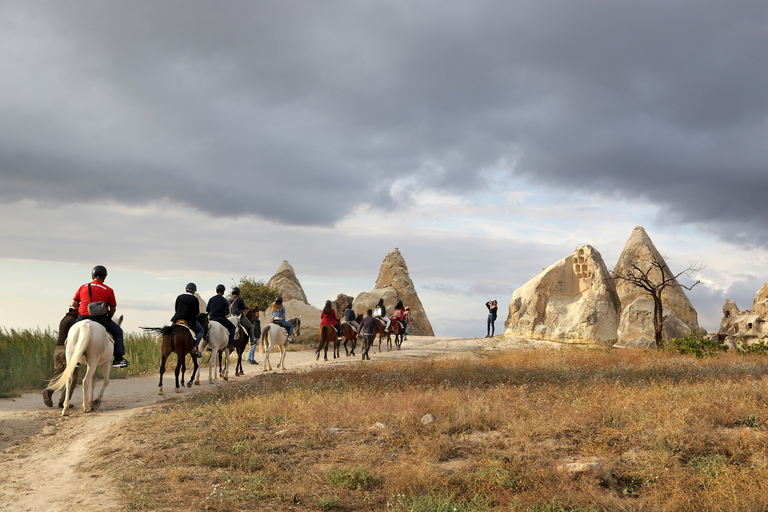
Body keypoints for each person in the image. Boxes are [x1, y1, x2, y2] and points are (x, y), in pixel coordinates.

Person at [72, 265, 129, 368]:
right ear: (104, 277)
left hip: (83, 317)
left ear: (92, 276)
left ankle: (72, 357)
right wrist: (108, 318)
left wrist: (82, 310)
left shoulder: (83, 287)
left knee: (71, 331)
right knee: (118, 332)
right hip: (100, 318)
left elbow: (74, 304)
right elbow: (113, 309)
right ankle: (118, 359)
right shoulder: (109, 290)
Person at [44, 306, 81, 407]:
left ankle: (49, 390)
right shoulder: (73, 320)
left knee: (58, 374)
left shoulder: (63, 319)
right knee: (72, 376)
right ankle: (63, 401)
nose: (79, 314)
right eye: (78, 312)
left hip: (57, 350)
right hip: (67, 350)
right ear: (74, 311)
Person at [171, 283, 204, 358]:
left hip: (177, 318)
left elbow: (176, 309)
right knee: (201, 331)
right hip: (189, 320)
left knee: (169, 331)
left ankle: (170, 343)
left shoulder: (179, 297)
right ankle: (195, 347)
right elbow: (196, 312)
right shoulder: (194, 299)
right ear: (194, 291)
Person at [207, 284, 236, 352]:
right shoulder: (224, 300)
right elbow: (227, 312)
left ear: (216, 291)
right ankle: (231, 344)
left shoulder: (211, 299)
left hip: (211, 318)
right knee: (232, 327)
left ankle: (207, 345)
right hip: (220, 319)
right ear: (223, 292)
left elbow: (207, 310)